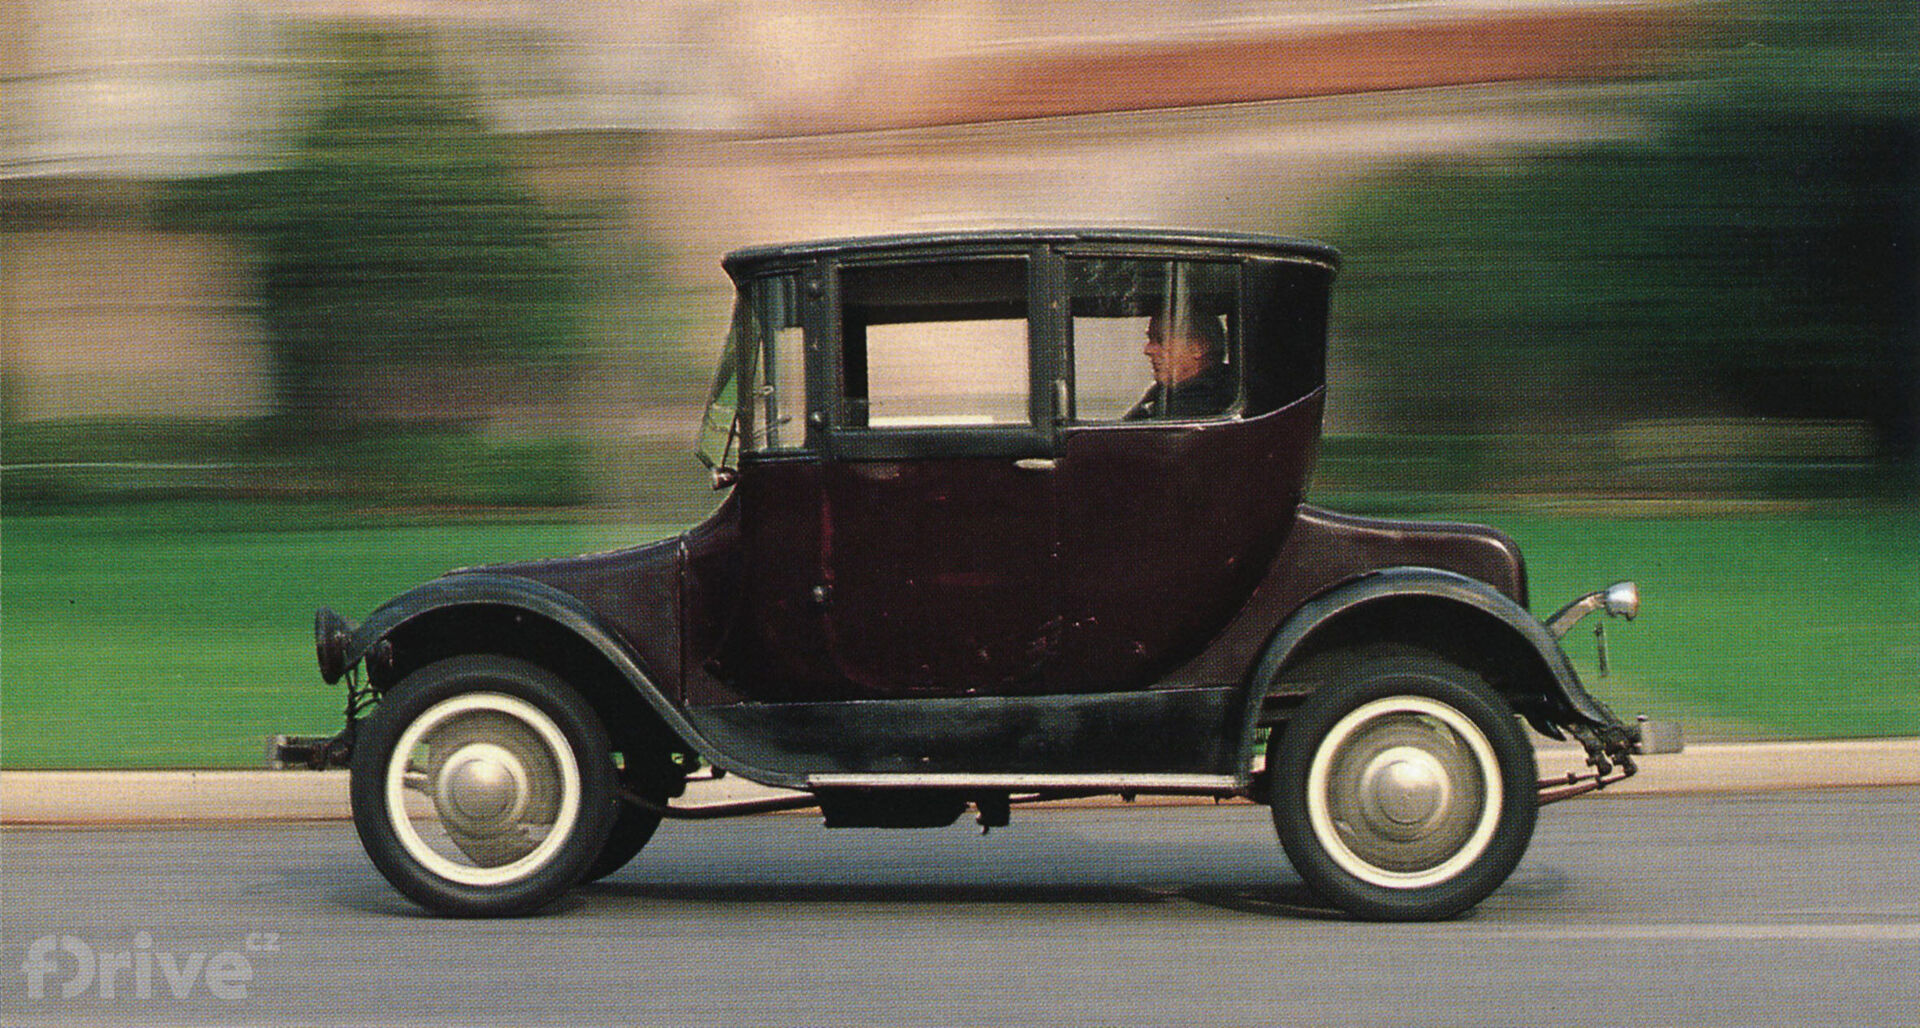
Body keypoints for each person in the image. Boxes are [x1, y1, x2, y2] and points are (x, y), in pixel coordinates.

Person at [1123, 308, 1235, 420]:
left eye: (1160, 340)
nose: (1148, 350)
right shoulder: (1164, 394)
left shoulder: (1201, 406)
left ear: (1199, 347)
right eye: (1150, 339)